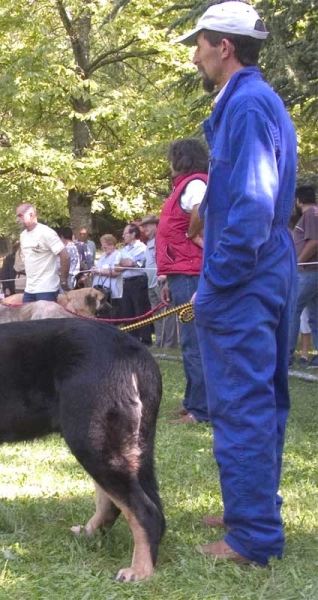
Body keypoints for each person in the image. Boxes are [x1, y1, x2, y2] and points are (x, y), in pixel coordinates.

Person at [174, 1, 298, 565]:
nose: (195, 54)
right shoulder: (255, 101)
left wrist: (214, 282)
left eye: (200, 43)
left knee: (243, 403)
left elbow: (250, 206)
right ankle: (251, 508)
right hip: (267, 269)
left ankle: (251, 538)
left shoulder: (246, 105)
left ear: (225, 47)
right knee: (262, 401)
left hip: (245, 278)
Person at [156, 139, 210, 425]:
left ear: (181, 159)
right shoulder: (184, 185)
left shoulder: (195, 184)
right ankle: (192, 401)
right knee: (189, 341)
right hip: (181, 272)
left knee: (194, 343)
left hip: (191, 271)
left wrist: (192, 234)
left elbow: (200, 212)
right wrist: (168, 278)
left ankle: (201, 410)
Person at [288, 185, 318, 368]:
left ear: (298, 200)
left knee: (292, 309)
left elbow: (314, 241)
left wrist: (297, 262)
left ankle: (286, 356)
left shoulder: (310, 214)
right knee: (314, 314)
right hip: (312, 271)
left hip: (308, 272)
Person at [16, 203, 70, 302]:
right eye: (17, 216)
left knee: (46, 318)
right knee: (26, 317)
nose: (17, 219)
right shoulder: (23, 236)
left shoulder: (46, 232)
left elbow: (65, 256)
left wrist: (63, 280)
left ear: (31, 215)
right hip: (29, 289)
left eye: (20, 216)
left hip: (47, 289)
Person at [140, 215, 178, 349]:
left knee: (167, 313)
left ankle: (169, 344)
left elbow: (169, 257)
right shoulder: (148, 242)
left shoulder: (162, 239)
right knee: (156, 314)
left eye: (148, 225)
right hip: (151, 283)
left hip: (161, 282)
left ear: (156, 225)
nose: (144, 229)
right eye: (143, 226)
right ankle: (159, 341)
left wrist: (166, 276)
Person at [116, 224, 152, 345]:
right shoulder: (124, 250)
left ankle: (145, 339)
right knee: (127, 311)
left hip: (138, 281)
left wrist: (124, 263)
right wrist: (124, 263)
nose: (123, 236)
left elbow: (131, 263)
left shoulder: (141, 247)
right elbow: (117, 266)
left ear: (132, 234)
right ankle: (131, 339)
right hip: (126, 282)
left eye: (125, 233)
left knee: (141, 311)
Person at [91, 234, 122, 318]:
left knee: (110, 316)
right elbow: (99, 268)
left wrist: (99, 271)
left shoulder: (118, 255)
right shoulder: (103, 255)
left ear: (111, 244)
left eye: (105, 246)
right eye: (103, 246)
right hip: (100, 291)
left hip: (111, 293)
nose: (103, 249)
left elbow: (116, 272)